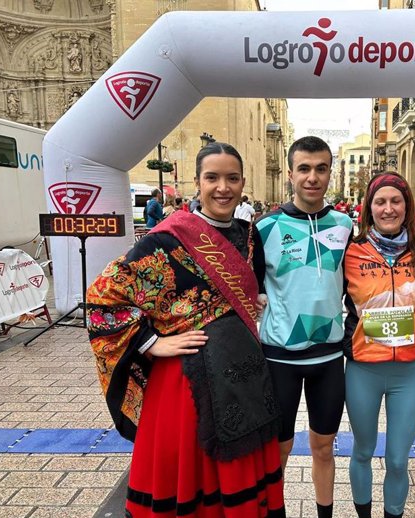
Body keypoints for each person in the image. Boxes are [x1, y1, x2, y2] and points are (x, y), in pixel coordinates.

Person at [87, 142, 285, 518]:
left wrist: (253, 300)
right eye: (212, 178)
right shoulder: (166, 238)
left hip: (242, 377)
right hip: (185, 385)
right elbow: (102, 296)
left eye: (231, 178)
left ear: (243, 183)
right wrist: (151, 343)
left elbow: (246, 289)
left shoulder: (249, 235)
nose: (222, 187)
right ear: (198, 182)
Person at [254, 136, 353, 518]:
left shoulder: (344, 225)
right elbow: (251, 288)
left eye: (321, 168)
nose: (313, 177)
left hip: (329, 357)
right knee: (278, 449)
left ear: (330, 172)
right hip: (279, 358)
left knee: (324, 448)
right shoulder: (265, 228)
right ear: (291, 174)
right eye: (304, 169)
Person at [343, 173, 415, 518]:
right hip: (364, 370)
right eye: (380, 201)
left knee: (396, 458)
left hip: (409, 373)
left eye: (396, 201)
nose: (388, 209)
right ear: (368, 208)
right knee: (362, 451)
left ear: (406, 206)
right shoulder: (351, 252)